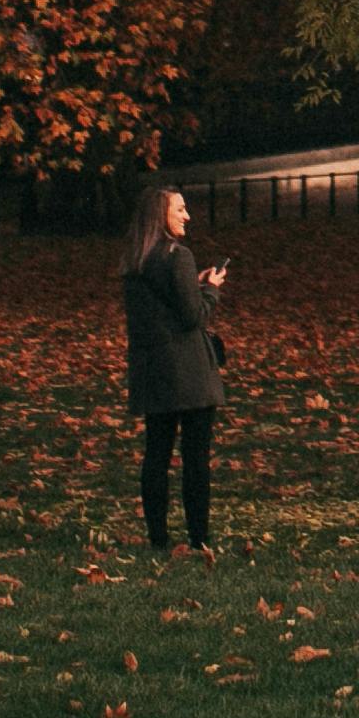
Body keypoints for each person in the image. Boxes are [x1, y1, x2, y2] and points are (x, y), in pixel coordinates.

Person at [118, 179, 227, 553]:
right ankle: (198, 537)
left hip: (153, 370)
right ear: (160, 215)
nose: (187, 215)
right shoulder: (177, 256)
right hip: (188, 372)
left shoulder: (136, 260)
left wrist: (190, 287)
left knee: (157, 455)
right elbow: (192, 316)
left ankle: (158, 538)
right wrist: (210, 289)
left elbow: (161, 306)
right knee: (195, 459)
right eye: (179, 209)